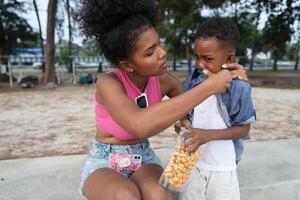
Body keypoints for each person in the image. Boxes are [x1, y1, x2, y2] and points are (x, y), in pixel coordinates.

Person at [75, 1, 247, 199]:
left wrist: (232, 76)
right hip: (105, 159)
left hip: (143, 157)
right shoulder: (109, 83)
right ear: (128, 64)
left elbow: (188, 100)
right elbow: (139, 125)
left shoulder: (163, 80)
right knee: (124, 195)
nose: (162, 53)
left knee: (158, 194)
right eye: (150, 52)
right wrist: (209, 87)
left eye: (159, 43)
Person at [175, 17, 256, 200]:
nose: (199, 64)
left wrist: (206, 135)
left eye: (207, 58)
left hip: (222, 167)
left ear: (229, 58)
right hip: (191, 164)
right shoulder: (193, 80)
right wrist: (183, 123)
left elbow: (244, 129)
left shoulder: (239, 88)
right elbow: (184, 112)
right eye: (196, 57)